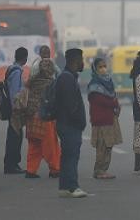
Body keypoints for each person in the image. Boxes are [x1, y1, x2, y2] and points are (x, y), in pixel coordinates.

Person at [17, 59, 61, 179]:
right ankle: (55, 169)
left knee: (34, 144)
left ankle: (31, 170)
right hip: (45, 118)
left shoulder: (32, 81)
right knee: (51, 145)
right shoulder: (51, 83)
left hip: (31, 117)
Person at [55, 48, 88, 198]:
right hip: (69, 125)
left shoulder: (67, 77)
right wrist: (79, 121)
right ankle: (73, 186)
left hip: (66, 123)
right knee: (71, 156)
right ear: (75, 61)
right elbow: (70, 106)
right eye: (82, 60)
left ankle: (64, 186)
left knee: (67, 155)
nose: (83, 63)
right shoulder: (67, 79)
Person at [87, 58, 122, 180]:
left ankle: (103, 170)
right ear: (95, 69)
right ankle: (99, 170)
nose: (103, 69)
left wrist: (116, 104)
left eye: (104, 66)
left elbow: (113, 96)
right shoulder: (94, 84)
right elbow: (99, 100)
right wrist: (114, 104)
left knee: (109, 145)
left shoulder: (109, 81)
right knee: (102, 146)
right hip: (101, 119)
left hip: (110, 118)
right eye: (100, 67)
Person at [4, 47, 28, 174]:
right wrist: (17, 109)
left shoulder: (11, 69)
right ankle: (11, 165)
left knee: (14, 136)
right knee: (15, 137)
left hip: (13, 110)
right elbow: (15, 93)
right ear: (25, 58)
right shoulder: (16, 72)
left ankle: (12, 164)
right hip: (15, 111)